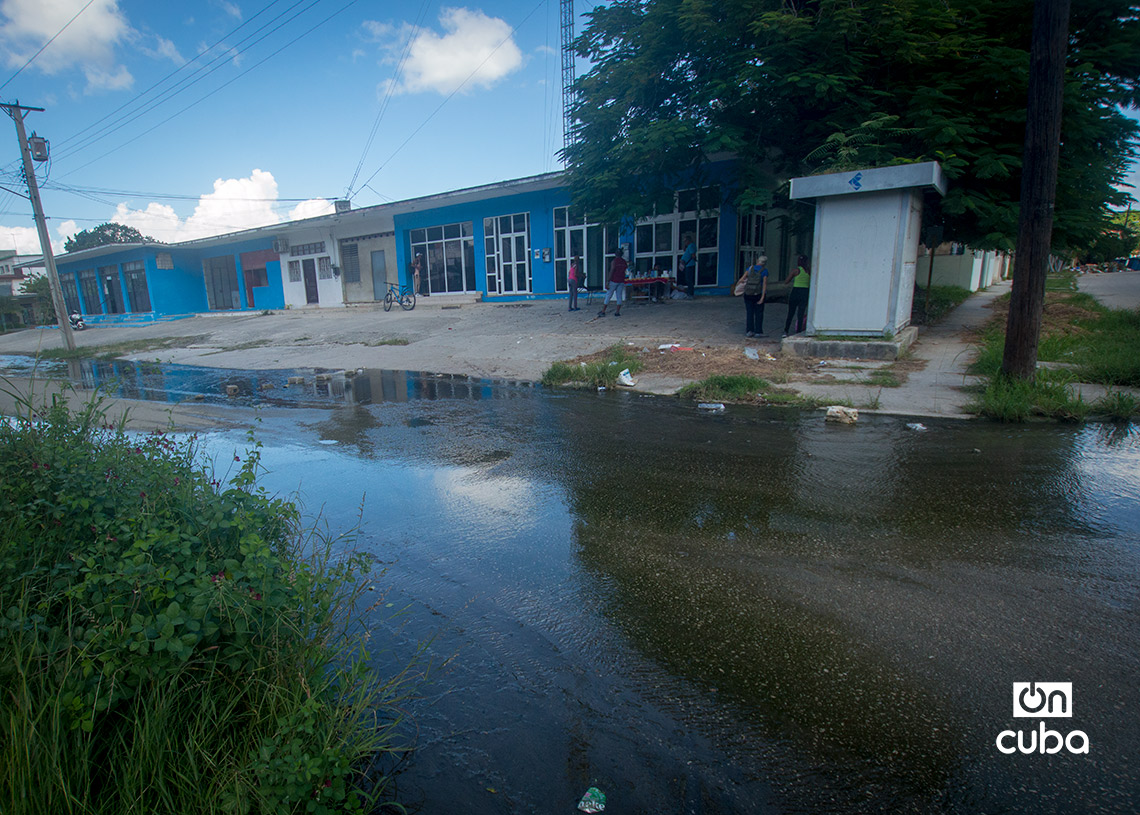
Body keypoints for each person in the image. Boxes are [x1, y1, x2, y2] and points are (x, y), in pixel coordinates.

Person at [737, 254, 768, 337]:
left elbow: (741, 280)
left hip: (748, 294)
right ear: (764, 263)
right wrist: (762, 297)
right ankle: (758, 332)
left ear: (758, 261)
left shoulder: (750, 269)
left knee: (749, 312)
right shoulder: (764, 271)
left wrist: (740, 288)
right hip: (758, 294)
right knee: (759, 313)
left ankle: (749, 331)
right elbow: (764, 284)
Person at [783, 255, 811, 337]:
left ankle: (786, 330)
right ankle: (798, 331)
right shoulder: (809, 271)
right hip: (805, 292)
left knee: (791, 312)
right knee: (801, 313)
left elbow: (786, 281)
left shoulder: (796, 271)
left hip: (796, 291)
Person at [597, 252, 627, 317]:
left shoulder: (614, 261)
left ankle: (603, 311)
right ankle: (617, 312)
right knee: (619, 296)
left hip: (614, 280)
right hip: (621, 280)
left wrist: (608, 281)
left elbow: (612, 270)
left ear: (615, 254)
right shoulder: (624, 262)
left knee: (608, 295)